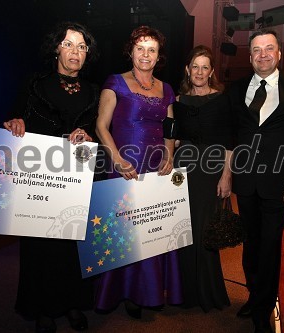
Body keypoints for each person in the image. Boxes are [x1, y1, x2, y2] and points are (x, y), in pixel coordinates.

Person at [3, 22, 99, 333]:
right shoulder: (35, 84)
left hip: (76, 179)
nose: (76, 51)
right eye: (69, 44)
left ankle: (72, 304)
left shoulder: (94, 91)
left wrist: (89, 135)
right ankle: (43, 308)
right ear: (56, 48)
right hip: (39, 179)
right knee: (39, 245)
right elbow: (14, 118)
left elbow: (100, 131)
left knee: (73, 244)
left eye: (82, 46)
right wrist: (15, 122)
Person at [226, 28, 284, 333]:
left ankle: (264, 304)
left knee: (271, 244)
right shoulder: (235, 89)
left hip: (278, 181)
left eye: (269, 48)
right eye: (257, 50)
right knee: (250, 242)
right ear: (250, 57)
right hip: (246, 180)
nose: (263, 54)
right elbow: (229, 135)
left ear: (279, 53)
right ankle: (254, 294)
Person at [93, 25, 182, 318]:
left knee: (151, 231)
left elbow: (170, 127)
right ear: (130, 51)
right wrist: (117, 159)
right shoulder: (115, 82)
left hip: (155, 170)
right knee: (125, 234)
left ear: (159, 57)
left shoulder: (166, 88)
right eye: (140, 48)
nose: (146, 54)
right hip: (124, 168)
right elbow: (101, 127)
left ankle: (147, 291)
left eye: (152, 50)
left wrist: (169, 153)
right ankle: (120, 291)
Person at [173, 45, 233, 312]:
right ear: (188, 70)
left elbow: (229, 142)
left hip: (210, 170)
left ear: (211, 72)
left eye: (204, 67)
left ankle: (209, 292)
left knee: (205, 228)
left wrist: (226, 175)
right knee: (183, 229)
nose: (199, 72)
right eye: (194, 66)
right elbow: (171, 140)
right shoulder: (177, 101)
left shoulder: (221, 100)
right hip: (182, 167)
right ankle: (186, 292)